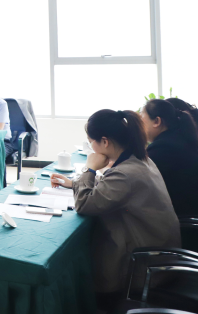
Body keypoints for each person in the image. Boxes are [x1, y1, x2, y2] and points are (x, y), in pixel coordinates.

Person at [51, 109, 180, 312]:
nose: (91, 148)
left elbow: (84, 205)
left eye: (91, 142)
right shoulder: (139, 159)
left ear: (104, 141)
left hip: (144, 264)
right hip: (158, 253)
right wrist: (75, 183)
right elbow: (112, 189)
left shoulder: (125, 173)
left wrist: (89, 169)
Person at [141, 99, 198, 217]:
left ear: (157, 121)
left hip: (180, 218)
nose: (139, 128)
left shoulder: (161, 149)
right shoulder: (182, 140)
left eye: (142, 122)